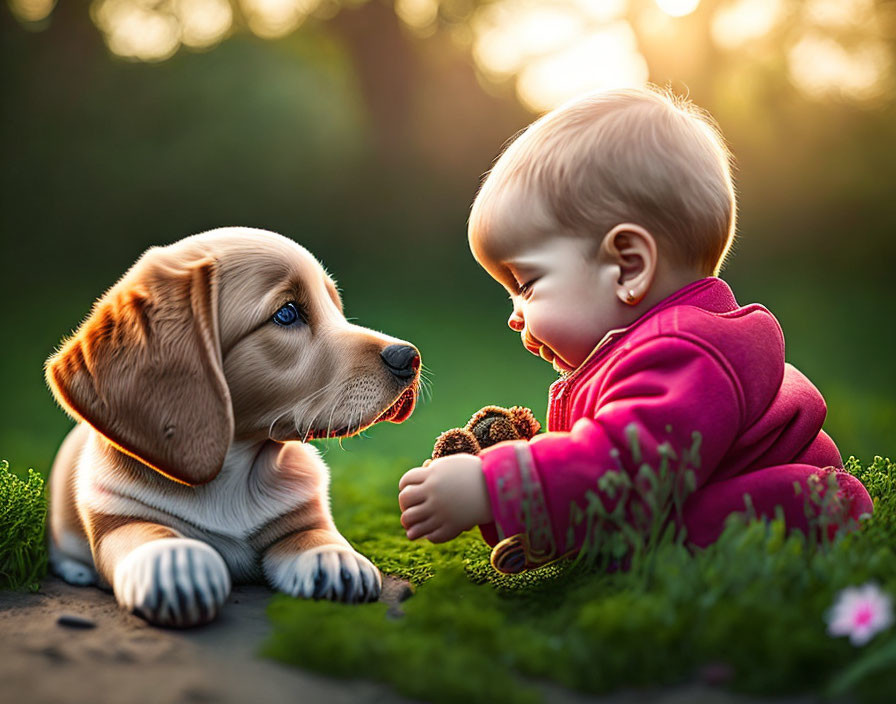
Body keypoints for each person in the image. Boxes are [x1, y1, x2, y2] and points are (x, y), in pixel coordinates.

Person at [398, 86, 873, 570]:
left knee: (658, 535)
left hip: (793, 508)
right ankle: (560, 531)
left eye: (525, 284)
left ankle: (584, 540)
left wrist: (491, 485)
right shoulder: (647, 348)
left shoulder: (685, 353)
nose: (515, 315)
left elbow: (619, 467)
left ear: (627, 267)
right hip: (698, 492)